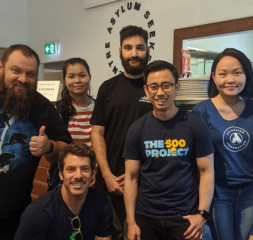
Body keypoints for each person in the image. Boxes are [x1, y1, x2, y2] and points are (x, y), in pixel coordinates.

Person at [123, 60, 215, 240]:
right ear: (146, 90)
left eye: (166, 86)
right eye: (154, 87)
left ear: (177, 88)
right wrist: (131, 222)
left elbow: (207, 171)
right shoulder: (137, 129)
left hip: (185, 218)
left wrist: (202, 214)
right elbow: (131, 178)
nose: (160, 92)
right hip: (146, 217)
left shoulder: (195, 125)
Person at [0, 44, 72, 239]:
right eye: (16, 71)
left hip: (15, 217)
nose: (23, 79)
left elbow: (66, 149)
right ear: (0, 67)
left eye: (31, 74)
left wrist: (49, 146)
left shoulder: (43, 107)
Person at [193, 48, 253, 240]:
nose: (231, 79)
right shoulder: (201, 111)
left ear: (246, 75)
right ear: (214, 76)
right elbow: (196, 162)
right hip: (219, 192)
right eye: (223, 74)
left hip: (251, 190)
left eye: (237, 72)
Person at [90, 25, 153, 239]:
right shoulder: (107, 88)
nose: (134, 53)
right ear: (120, 51)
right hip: (111, 183)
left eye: (139, 48)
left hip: (148, 185)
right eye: (128, 48)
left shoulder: (155, 88)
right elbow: (97, 133)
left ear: (148, 50)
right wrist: (106, 175)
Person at [14, 143, 112, 240]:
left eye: (84, 169)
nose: (78, 176)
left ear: (93, 175)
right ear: (61, 175)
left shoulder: (102, 205)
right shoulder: (37, 213)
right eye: (71, 169)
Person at [48, 57, 95, 190]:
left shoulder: (100, 109)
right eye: (71, 76)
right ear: (65, 80)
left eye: (82, 75)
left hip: (94, 177)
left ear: (89, 77)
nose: (77, 81)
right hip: (66, 180)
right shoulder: (57, 112)